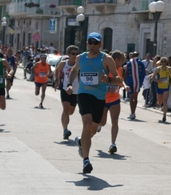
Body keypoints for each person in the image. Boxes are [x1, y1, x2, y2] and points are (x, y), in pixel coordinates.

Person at [67, 32, 121, 174]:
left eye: (95, 43)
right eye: (90, 42)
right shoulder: (81, 58)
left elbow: (118, 79)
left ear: (100, 44)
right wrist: (69, 84)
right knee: (87, 124)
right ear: (87, 43)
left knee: (92, 130)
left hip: (99, 97)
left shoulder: (107, 59)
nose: (92, 45)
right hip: (84, 94)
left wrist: (108, 80)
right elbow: (74, 71)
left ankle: (80, 142)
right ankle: (86, 160)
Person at [99, 50, 128, 154]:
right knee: (102, 122)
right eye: (122, 60)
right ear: (116, 60)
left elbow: (121, 80)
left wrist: (125, 86)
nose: (123, 63)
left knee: (115, 121)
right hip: (103, 99)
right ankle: (98, 125)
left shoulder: (119, 69)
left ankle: (113, 144)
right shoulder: (105, 68)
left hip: (115, 99)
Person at [54, 45, 79, 140]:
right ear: (68, 54)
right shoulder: (64, 64)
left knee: (71, 112)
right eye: (73, 54)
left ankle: (65, 121)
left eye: (77, 54)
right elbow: (57, 70)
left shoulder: (79, 65)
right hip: (65, 89)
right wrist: (56, 80)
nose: (75, 56)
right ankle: (65, 130)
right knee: (65, 109)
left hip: (76, 91)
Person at [151, 57, 171, 122]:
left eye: (165, 61)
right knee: (160, 101)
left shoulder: (169, 68)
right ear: (160, 62)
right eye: (162, 61)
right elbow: (153, 78)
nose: (163, 62)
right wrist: (158, 80)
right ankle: (159, 103)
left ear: (166, 62)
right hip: (159, 87)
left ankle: (164, 116)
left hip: (166, 87)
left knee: (165, 101)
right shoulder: (158, 69)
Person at [124, 51, 146, 120]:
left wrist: (124, 81)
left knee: (131, 97)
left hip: (130, 81)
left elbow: (126, 72)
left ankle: (132, 112)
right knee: (135, 97)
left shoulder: (129, 63)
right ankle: (134, 112)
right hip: (138, 82)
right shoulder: (141, 63)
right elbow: (143, 73)